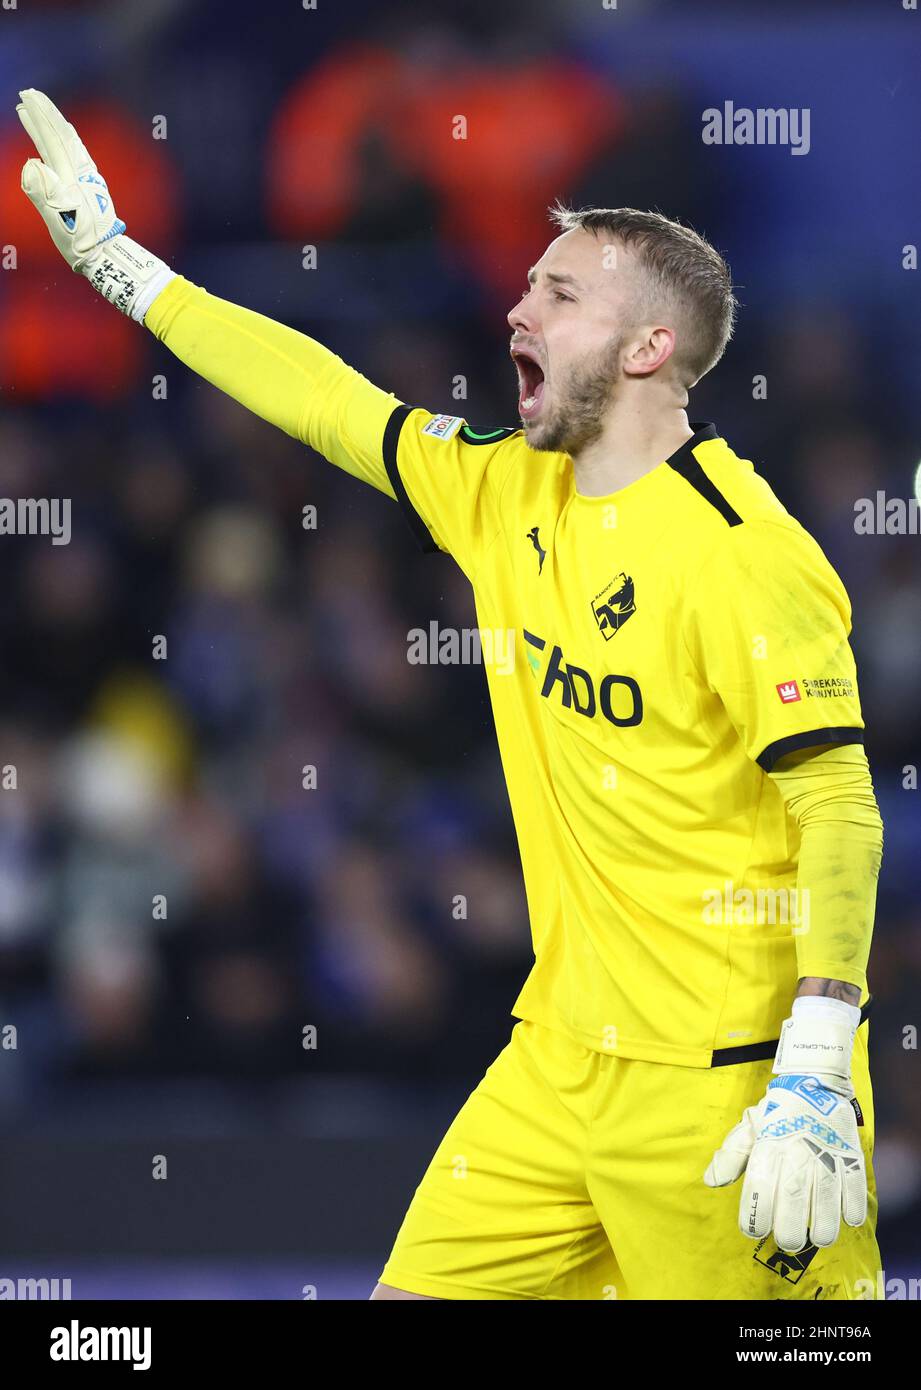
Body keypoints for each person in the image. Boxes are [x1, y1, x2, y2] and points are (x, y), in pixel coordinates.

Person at [17, 89, 884, 1301]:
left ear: (648, 350)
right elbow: (327, 400)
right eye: (526, 285)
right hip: (556, 1063)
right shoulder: (497, 491)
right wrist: (117, 265)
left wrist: (815, 1055)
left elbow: (840, 806)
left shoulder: (746, 554)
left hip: (729, 1083)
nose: (518, 307)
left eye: (559, 294)